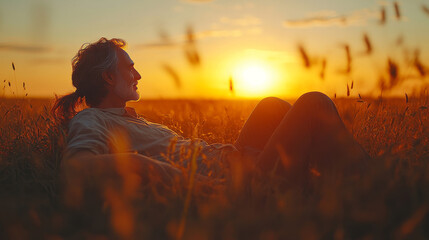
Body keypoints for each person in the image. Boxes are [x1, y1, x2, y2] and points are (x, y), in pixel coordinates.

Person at [52, 37, 370, 191]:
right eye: (130, 68)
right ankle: (375, 185)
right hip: (233, 188)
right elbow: (75, 168)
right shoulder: (91, 120)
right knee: (314, 103)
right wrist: (155, 169)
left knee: (272, 106)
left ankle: (320, 180)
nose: (138, 75)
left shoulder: (126, 117)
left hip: (234, 161)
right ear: (108, 78)